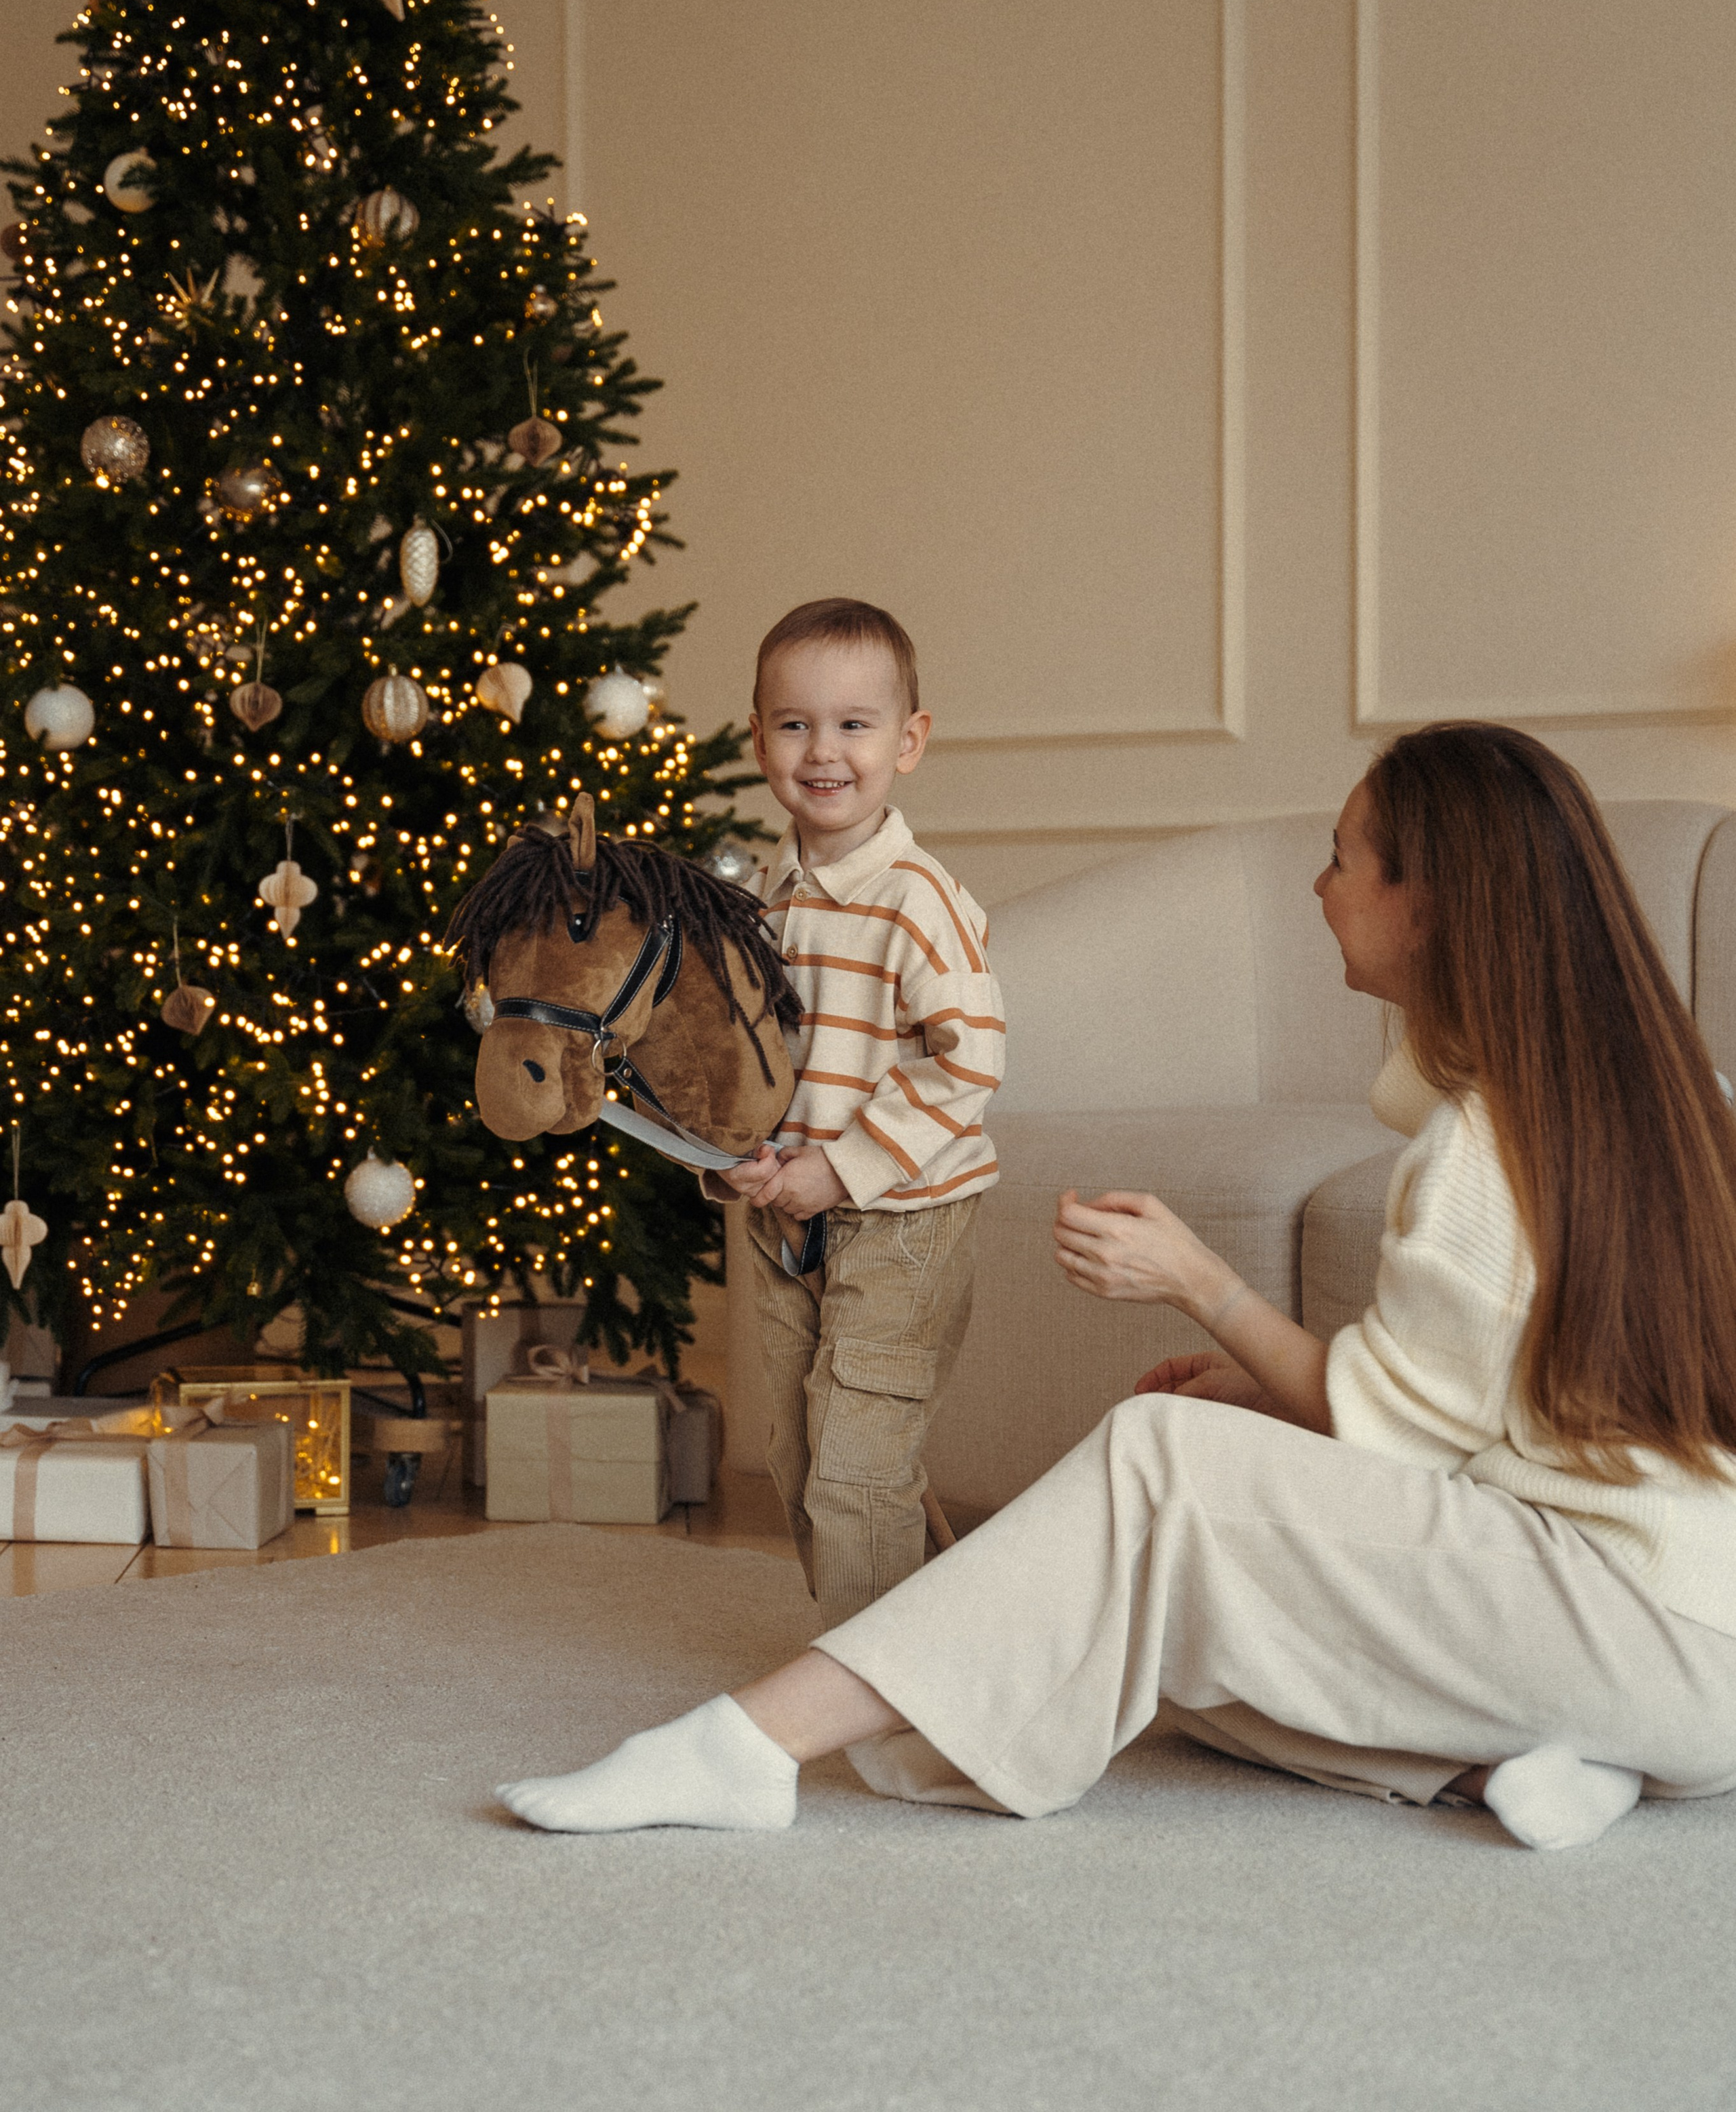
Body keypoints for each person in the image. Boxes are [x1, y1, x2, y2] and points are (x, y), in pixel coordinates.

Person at [498, 724, 1736, 1854]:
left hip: (1634, 1622)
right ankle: (1511, 1765)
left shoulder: (1485, 1148)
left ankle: (747, 1744)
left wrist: (1198, 1281)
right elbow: (1489, 1409)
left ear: (1432, 904)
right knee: (1156, 1644)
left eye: (1345, 859)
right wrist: (1262, 1386)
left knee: (1159, 1455)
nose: (1320, 886)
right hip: (1680, 1654)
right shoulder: (1644, 1104)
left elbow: (1401, 1442)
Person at [695, 597, 1004, 1625]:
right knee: (795, 1448)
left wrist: (840, 1167)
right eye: (794, 725)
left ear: (908, 742)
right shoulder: (772, 903)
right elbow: (758, 1066)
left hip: (902, 1223)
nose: (822, 751)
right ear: (759, 739)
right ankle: (935, 1630)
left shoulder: (917, 898)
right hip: (791, 1218)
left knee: (858, 1462)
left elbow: (969, 1063)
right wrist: (738, 1154)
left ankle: (875, 1683)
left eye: (854, 725)